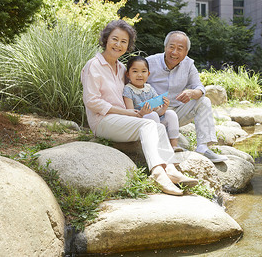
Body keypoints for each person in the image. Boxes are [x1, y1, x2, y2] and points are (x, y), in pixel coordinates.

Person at [81, 20, 197, 196]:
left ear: (128, 46)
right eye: (115, 39)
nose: (118, 45)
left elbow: (133, 93)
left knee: (157, 125)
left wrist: (147, 109)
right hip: (103, 121)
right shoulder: (94, 65)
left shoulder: (121, 68)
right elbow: (92, 101)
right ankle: (158, 173)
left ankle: (171, 169)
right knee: (149, 125)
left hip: (123, 120)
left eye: (124, 41)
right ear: (106, 39)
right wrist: (126, 112)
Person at [146, 31, 228, 163]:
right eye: (171, 47)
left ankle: (202, 147)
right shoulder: (149, 62)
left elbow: (199, 87)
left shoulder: (188, 64)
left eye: (180, 49)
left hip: (176, 113)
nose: (174, 52)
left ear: (186, 52)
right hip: (152, 114)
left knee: (204, 100)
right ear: (165, 47)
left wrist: (192, 93)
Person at [122, 55, 184, 153]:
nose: (139, 75)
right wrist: (142, 113)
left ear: (148, 74)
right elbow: (130, 113)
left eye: (143, 71)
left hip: (155, 121)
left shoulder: (149, 88)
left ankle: (174, 145)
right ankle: (160, 146)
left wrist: (164, 108)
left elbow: (158, 111)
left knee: (171, 113)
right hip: (140, 122)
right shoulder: (128, 89)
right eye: (135, 71)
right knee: (153, 114)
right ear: (128, 74)